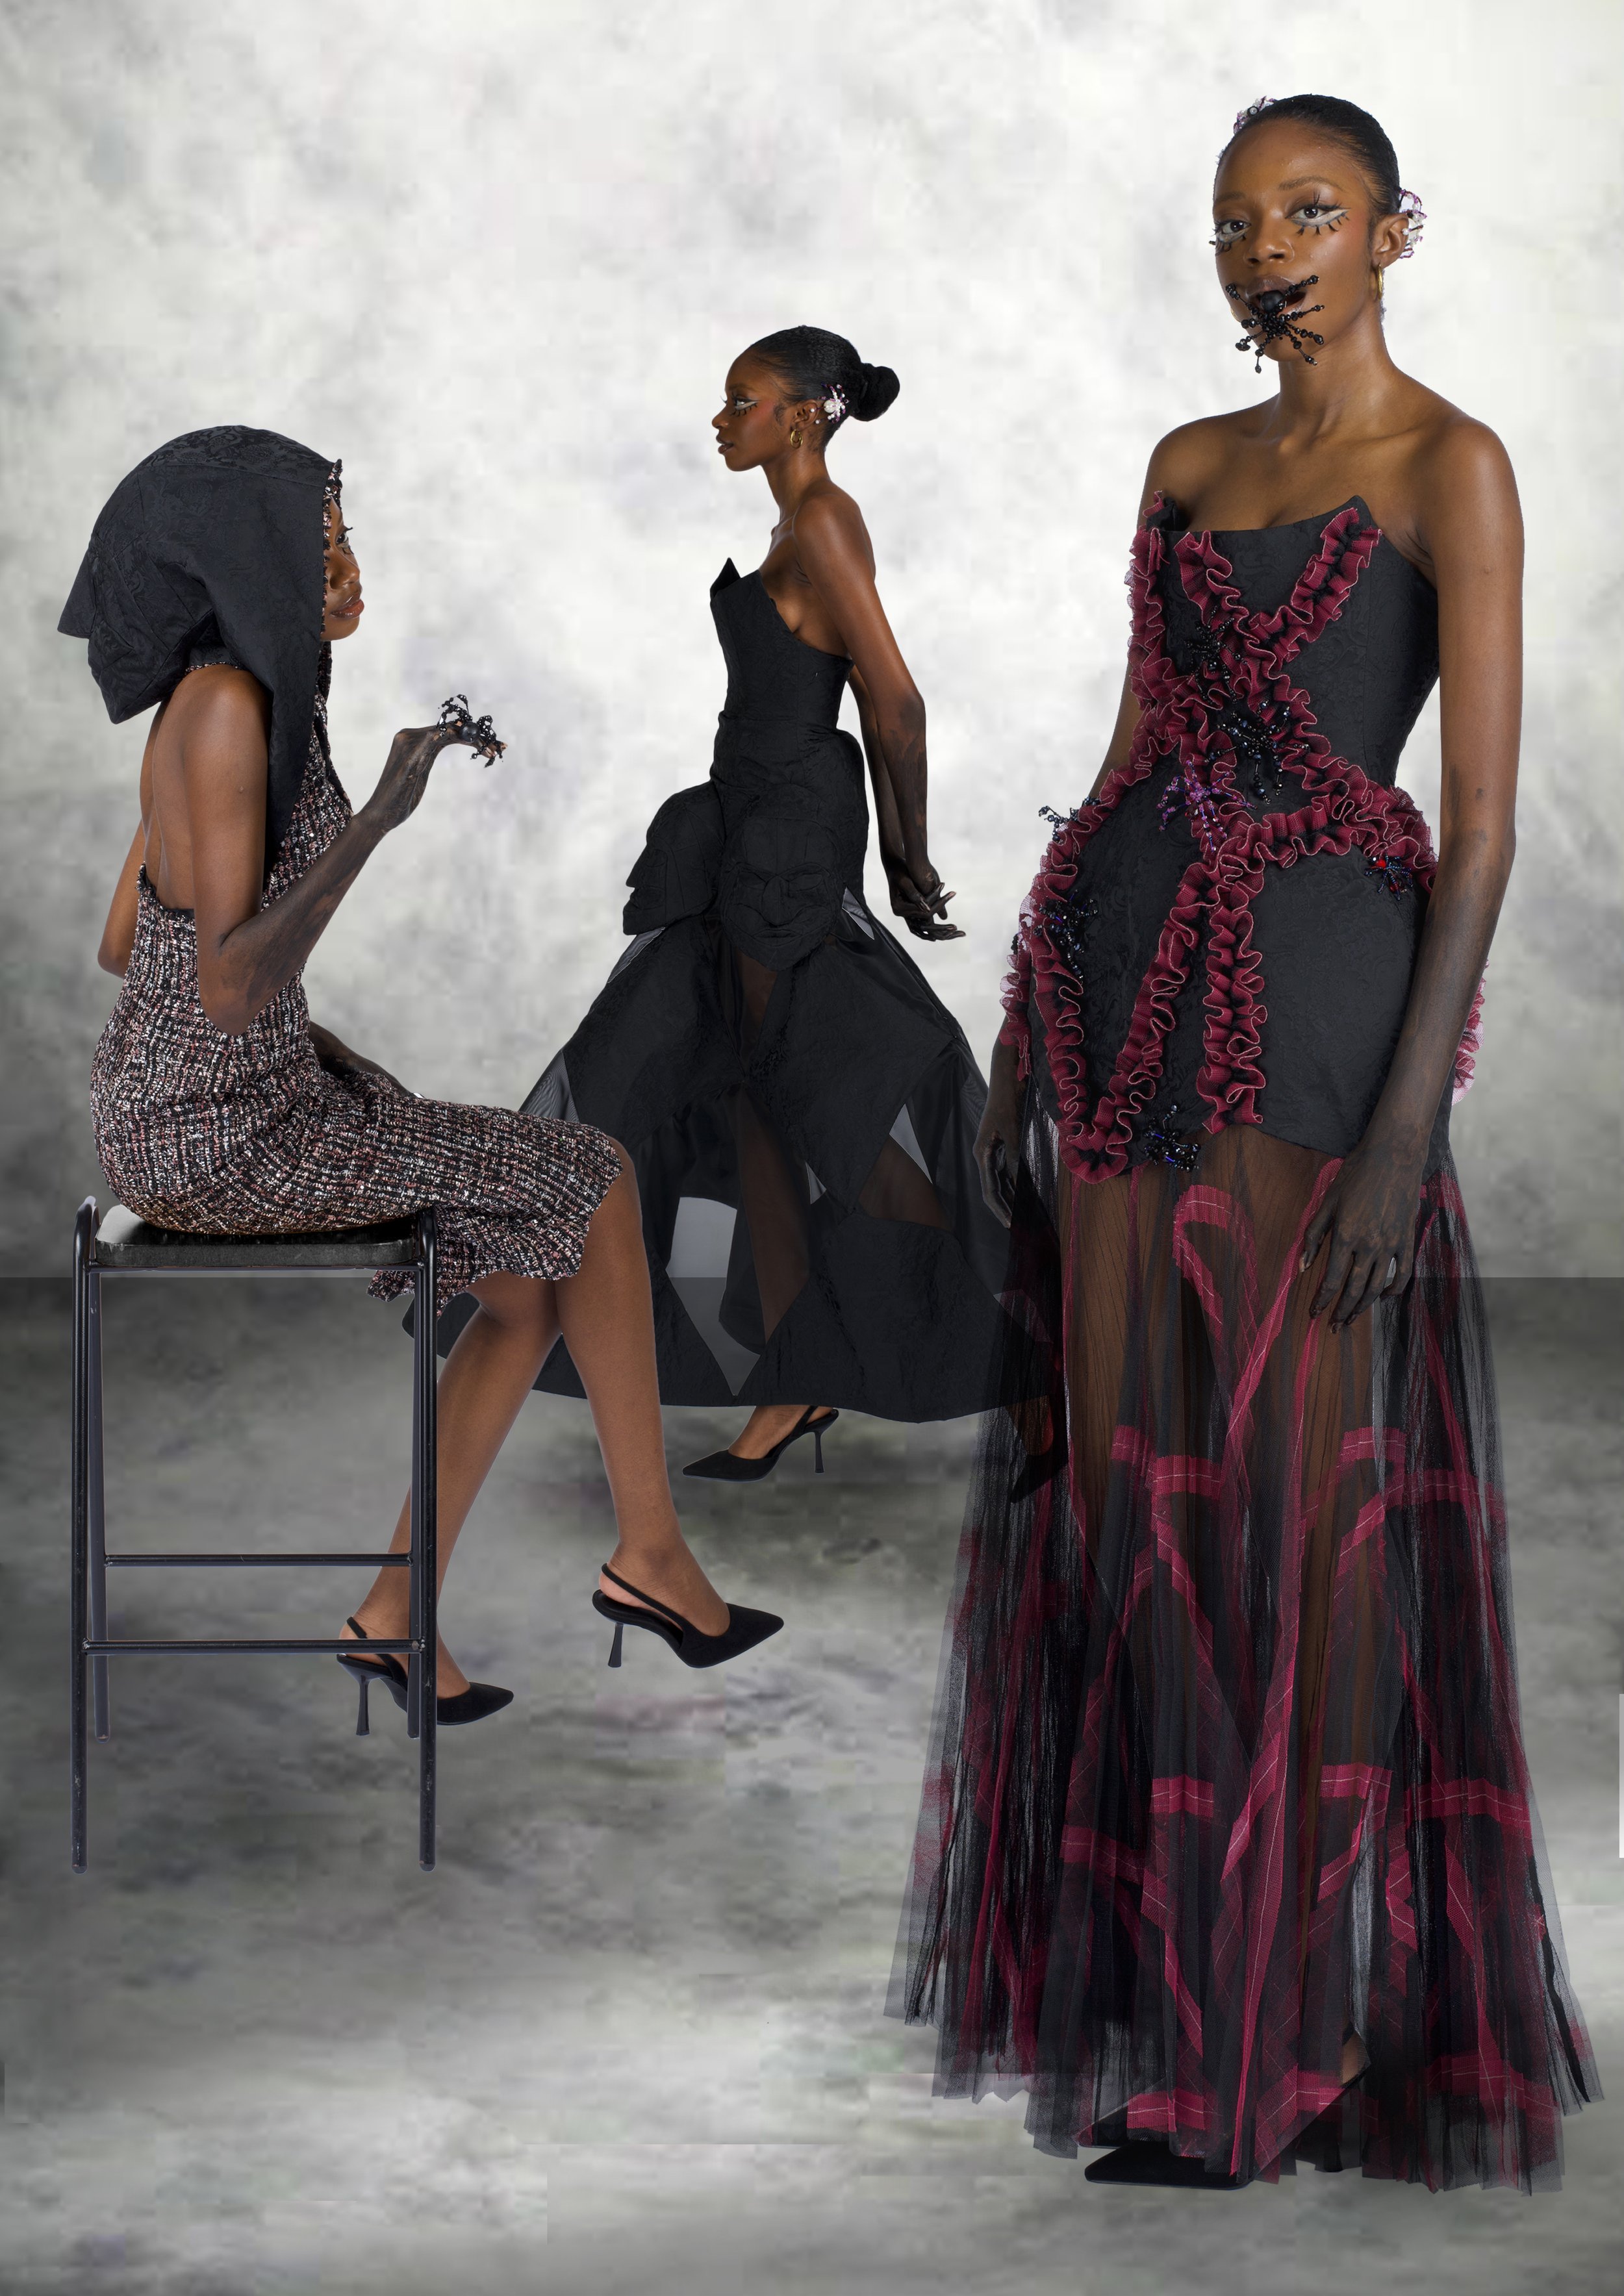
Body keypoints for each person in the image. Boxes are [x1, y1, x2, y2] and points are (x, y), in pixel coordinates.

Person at [892, 98, 1597, 2191]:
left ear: (1393, 230)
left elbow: (1471, 833)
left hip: (1318, 1026)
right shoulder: (1186, 468)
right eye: (1233, 219)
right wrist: (1026, 1023)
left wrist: (1405, 1131)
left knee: (1302, 1524)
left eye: (1305, 212)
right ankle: (1193, 2013)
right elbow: (1127, 762)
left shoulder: (1449, 464)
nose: (1264, 247)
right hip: (1124, 1012)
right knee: (1134, 1516)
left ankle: (1296, 2039)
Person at [68, 427, 780, 1713]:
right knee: (590, 1171)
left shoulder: (235, 694)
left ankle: (401, 1610)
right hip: (211, 1136)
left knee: (520, 1282)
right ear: (246, 556)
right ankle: (650, 1553)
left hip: (200, 1103)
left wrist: (327, 1055)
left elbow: (137, 942)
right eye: (317, 536)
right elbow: (224, 986)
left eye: (344, 530)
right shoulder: (225, 711)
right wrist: (385, 818)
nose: (345, 563)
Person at [482, 327, 1009, 1477]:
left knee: (839, 1107)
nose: (720, 420)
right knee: (747, 1101)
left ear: (809, 412)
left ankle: (1034, 1341)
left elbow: (898, 703)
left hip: (785, 857)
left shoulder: (823, 520)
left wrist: (913, 861)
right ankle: (794, 1386)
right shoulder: (794, 523)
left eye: (743, 401)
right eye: (723, 402)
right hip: (748, 833)